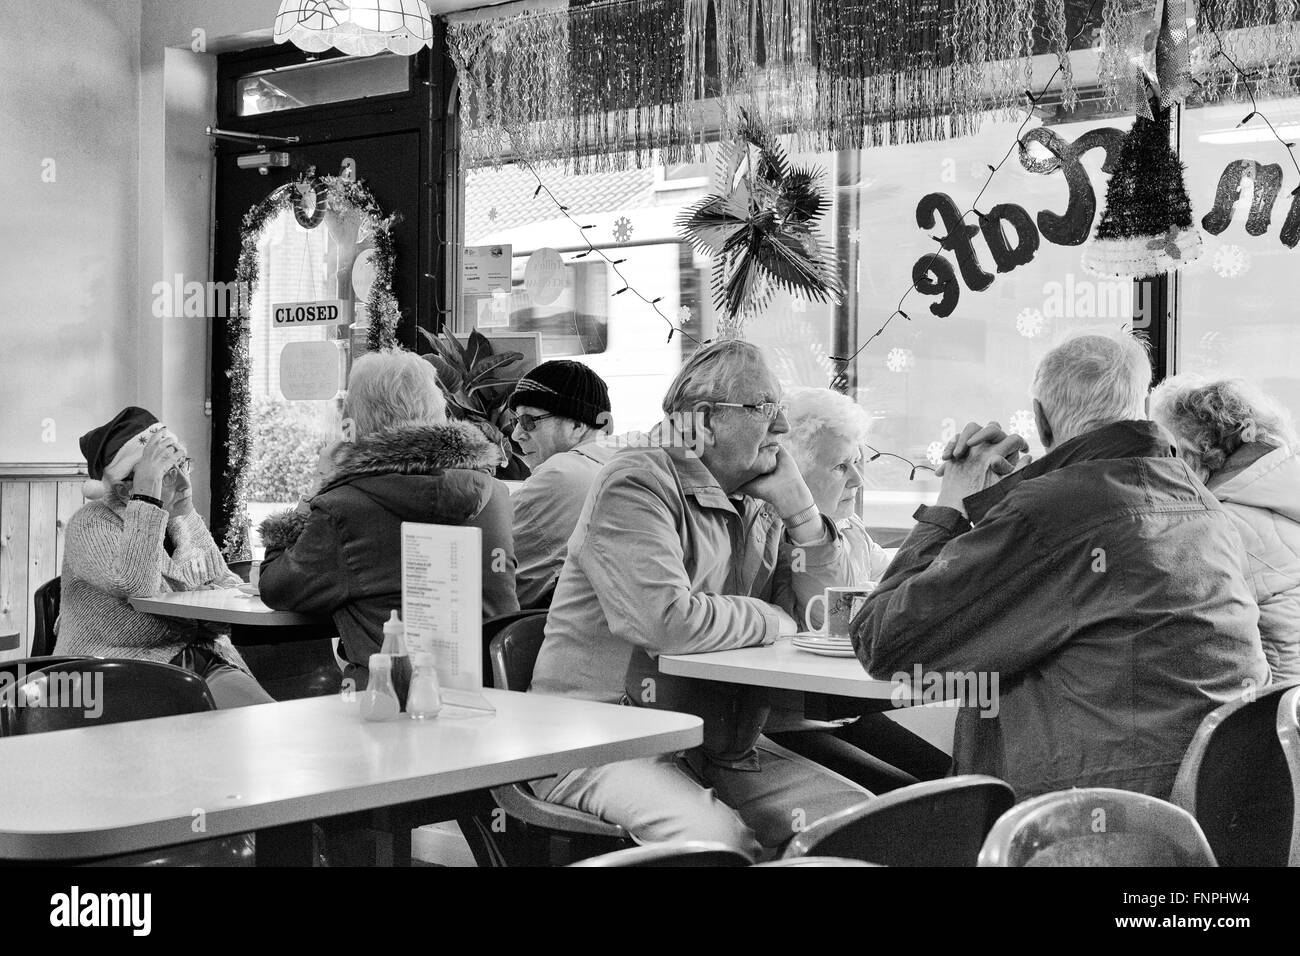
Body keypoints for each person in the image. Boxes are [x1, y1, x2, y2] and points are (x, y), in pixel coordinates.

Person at [852, 331, 1270, 801]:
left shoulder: (1052, 511)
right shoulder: (1200, 503)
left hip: (1079, 818)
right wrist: (1008, 508)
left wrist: (951, 501)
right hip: (1203, 805)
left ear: (1040, 420)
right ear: (1139, 407)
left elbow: (883, 641)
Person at [529, 340, 870, 859]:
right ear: (706, 420)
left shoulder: (760, 501)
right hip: (602, 739)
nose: (781, 428)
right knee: (720, 842)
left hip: (720, 747)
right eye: (764, 410)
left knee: (858, 823)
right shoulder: (635, 482)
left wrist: (803, 514)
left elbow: (829, 623)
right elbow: (666, 621)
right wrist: (770, 617)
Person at [258, 350, 519, 688]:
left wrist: (317, 488)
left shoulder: (344, 507)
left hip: (388, 702)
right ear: (438, 413)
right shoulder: (495, 496)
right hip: (490, 696)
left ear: (356, 425)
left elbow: (276, 587)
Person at [767, 387, 952, 790]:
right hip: (790, 723)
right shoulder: (783, 537)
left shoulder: (850, 528)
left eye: (858, 461)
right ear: (793, 475)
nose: (858, 479)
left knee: (957, 779)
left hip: (842, 713)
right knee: (924, 800)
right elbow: (831, 619)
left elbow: (901, 579)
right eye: (840, 467)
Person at [58, 406, 273, 708]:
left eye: (184, 464)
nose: (186, 483)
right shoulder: (91, 524)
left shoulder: (185, 519)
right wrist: (148, 499)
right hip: (117, 674)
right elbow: (137, 585)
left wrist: (215, 600)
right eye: (168, 476)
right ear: (124, 489)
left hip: (204, 663)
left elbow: (226, 588)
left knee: (264, 725)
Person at [1151, 376, 1300, 682]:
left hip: (1270, 711)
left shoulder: (1222, 525)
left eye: (1165, 454)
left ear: (1192, 453)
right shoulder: (1280, 491)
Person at [507, 360, 616, 609]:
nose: (516, 434)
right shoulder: (616, 466)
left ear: (577, 425)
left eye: (529, 421)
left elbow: (482, 557)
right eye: (516, 421)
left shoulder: (561, 474)